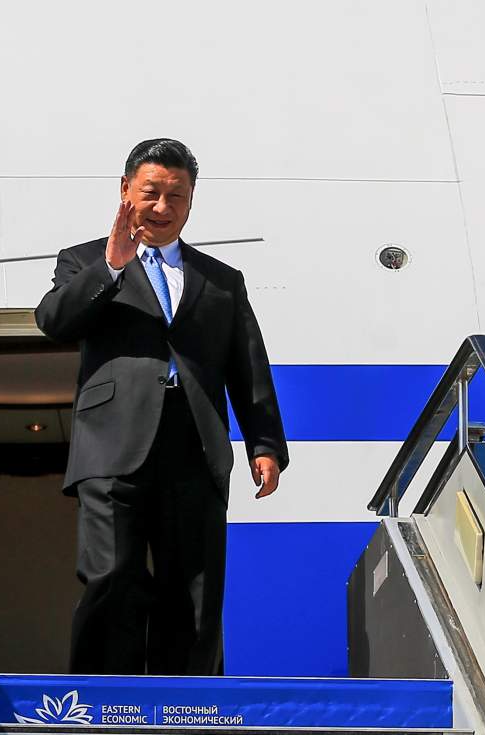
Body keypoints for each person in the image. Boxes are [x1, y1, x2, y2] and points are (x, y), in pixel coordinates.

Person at [35, 138, 289, 675]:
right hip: (112, 443)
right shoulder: (85, 261)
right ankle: (103, 702)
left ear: (191, 201)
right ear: (125, 191)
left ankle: (191, 707)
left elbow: (247, 366)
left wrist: (264, 444)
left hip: (194, 443)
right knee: (111, 573)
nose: (162, 205)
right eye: (151, 192)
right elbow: (54, 321)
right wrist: (110, 266)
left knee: (194, 586)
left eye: (177, 195)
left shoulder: (222, 281)